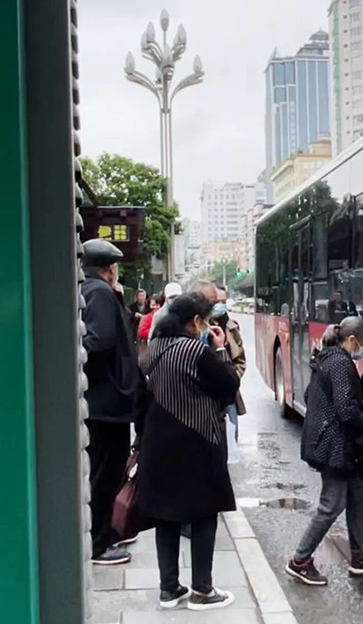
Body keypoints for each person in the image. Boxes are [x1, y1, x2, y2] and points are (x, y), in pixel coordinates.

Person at [137, 292, 240, 611]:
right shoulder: (196, 351)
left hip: (157, 443)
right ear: (195, 321)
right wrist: (220, 349)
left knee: (165, 515)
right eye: (206, 321)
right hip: (197, 442)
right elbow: (228, 387)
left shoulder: (154, 348)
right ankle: (202, 590)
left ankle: (169, 589)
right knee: (204, 514)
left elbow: (141, 398)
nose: (208, 327)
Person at [286, 316, 363, 586]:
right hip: (333, 446)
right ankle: (299, 561)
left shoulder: (326, 358)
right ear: (352, 340)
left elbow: (309, 395)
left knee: (356, 492)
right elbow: (346, 410)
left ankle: (360, 557)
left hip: (329, 441)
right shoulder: (341, 363)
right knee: (331, 505)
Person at [81, 239, 140, 566]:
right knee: (105, 475)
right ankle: (98, 544)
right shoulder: (100, 292)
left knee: (102, 472)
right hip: (107, 404)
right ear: (110, 268)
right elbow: (100, 341)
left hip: (101, 402)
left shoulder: (91, 290)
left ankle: (101, 534)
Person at [213, 285, 247, 441]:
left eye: (223, 301)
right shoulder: (200, 326)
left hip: (229, 391)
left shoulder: (232, 327)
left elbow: (240, 359)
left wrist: (233, 377)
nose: (220, 305)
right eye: (216, 301)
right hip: (209, 394)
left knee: (231, 436)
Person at [137, 293, 164, 360]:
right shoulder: (149, 316)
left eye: (157, 305)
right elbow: (142, 332)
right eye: (153, 305)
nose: (155, 307)